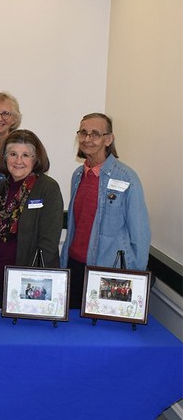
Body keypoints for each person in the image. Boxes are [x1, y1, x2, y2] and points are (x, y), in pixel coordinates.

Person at [61, 113, 150, 310]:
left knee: (104, 333)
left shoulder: (127, 178)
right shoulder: (78, 175)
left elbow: (140, 236)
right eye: (83, 133)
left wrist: (134, 280)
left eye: (95, 134)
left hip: (108, 274)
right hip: (74, 267)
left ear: (108, 139)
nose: (87, 139)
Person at [0, 129, 63, 308]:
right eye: (13, 154)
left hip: (30, 283)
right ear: (5, 157)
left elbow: (48, 243)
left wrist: (31, 283)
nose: (18, 161)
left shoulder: (48, 188)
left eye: (25, 155)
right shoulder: (1, 188)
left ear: (35, 159)